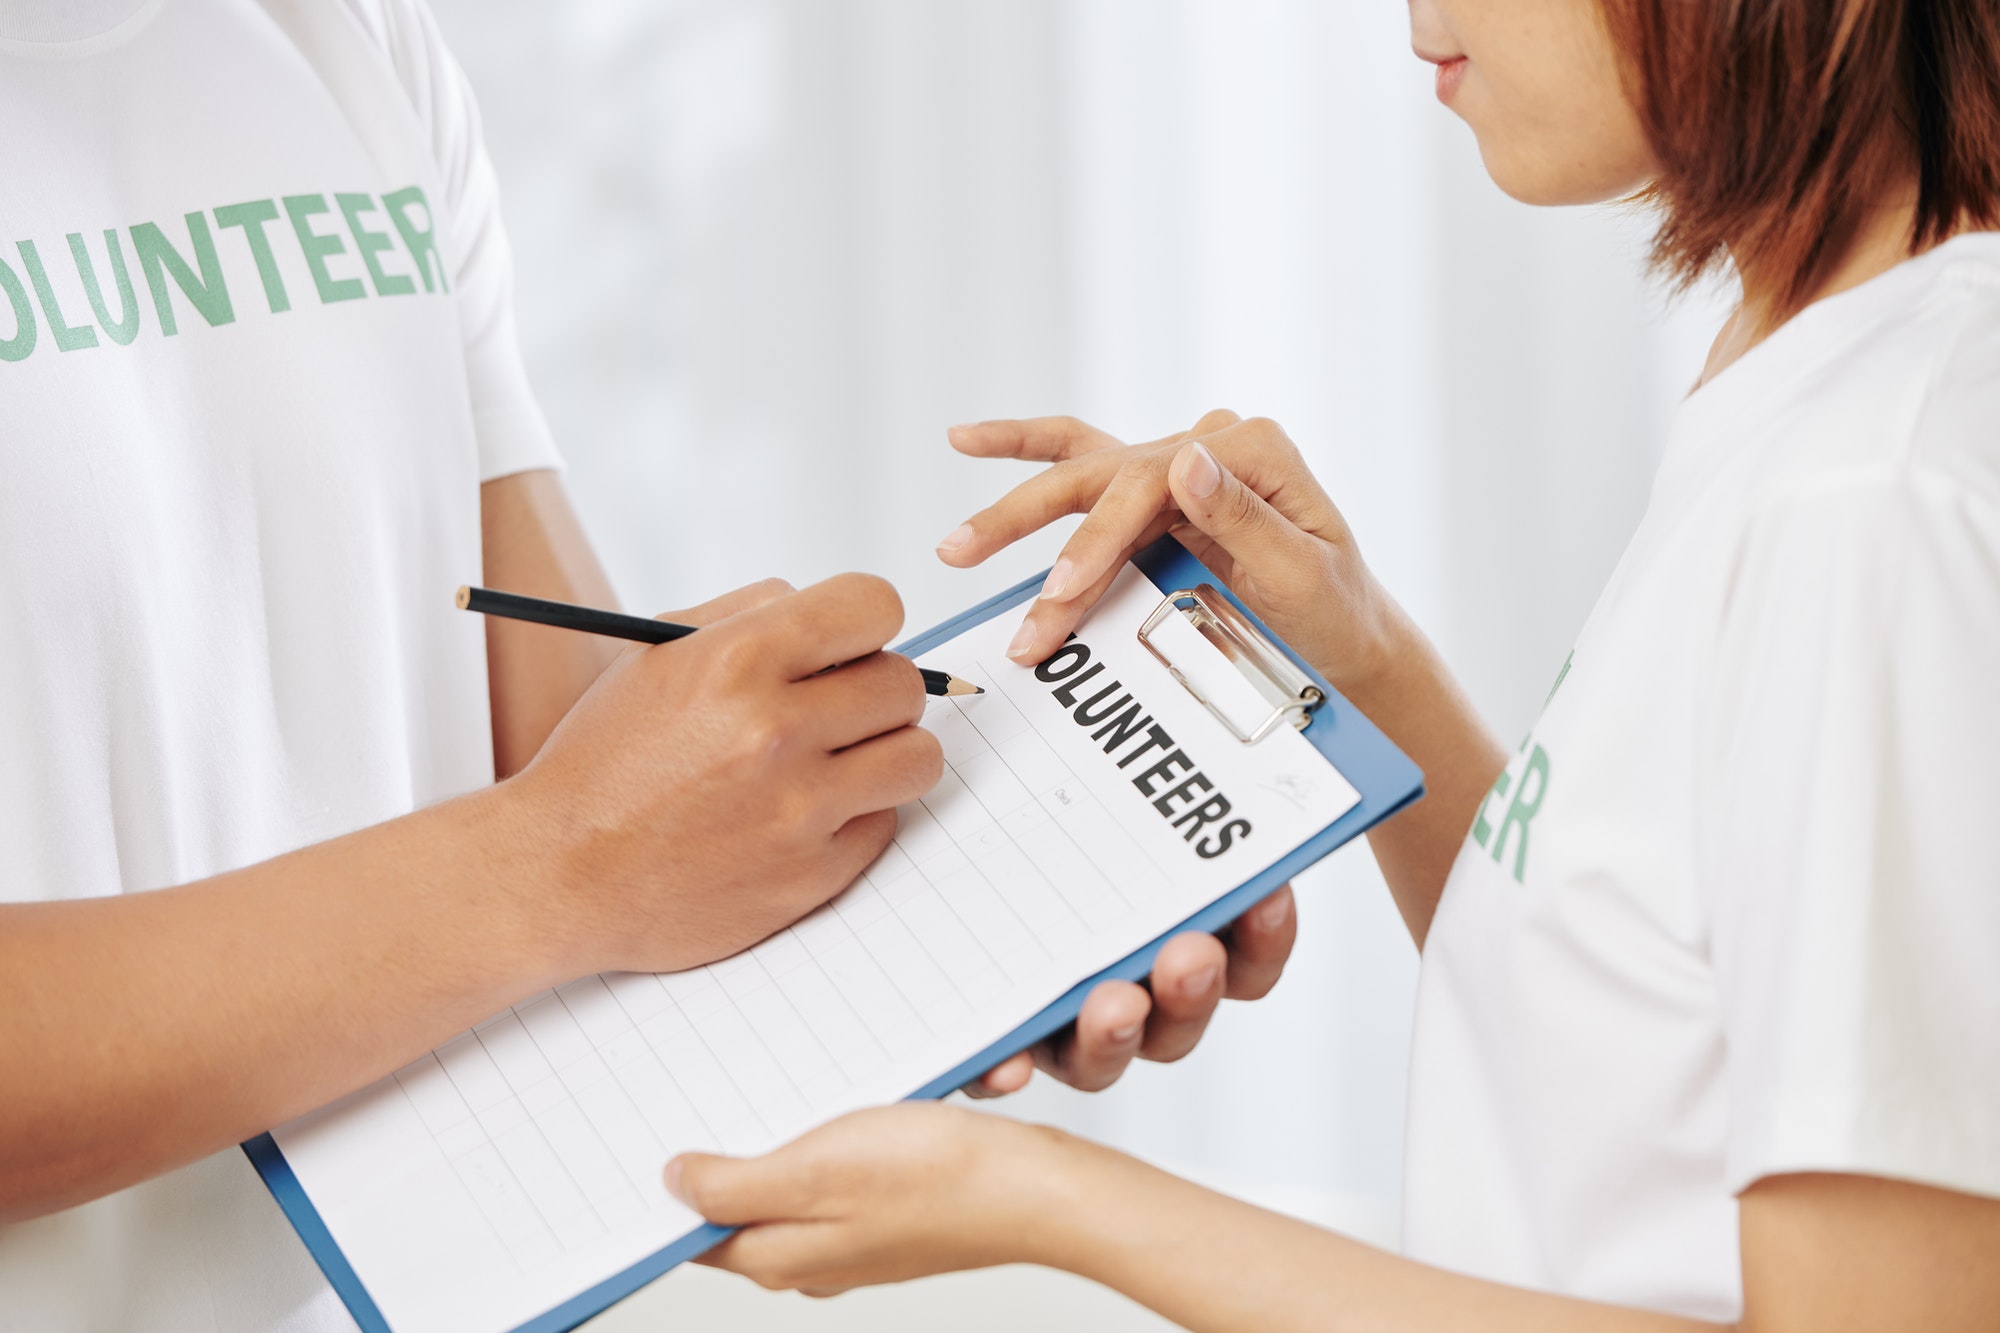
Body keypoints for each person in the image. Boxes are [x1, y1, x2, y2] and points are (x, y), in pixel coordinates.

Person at [663, 0, 2000, 1327]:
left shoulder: (1872, 494)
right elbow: (1636, 1034)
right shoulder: (1819, 377)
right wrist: (1356, 657)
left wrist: (1047, 1203)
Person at [0, 2, 1291, 1328]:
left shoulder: (347, 39)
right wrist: (560, 860)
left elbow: (606, 787)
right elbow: (579, 842)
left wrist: (1022, 871)